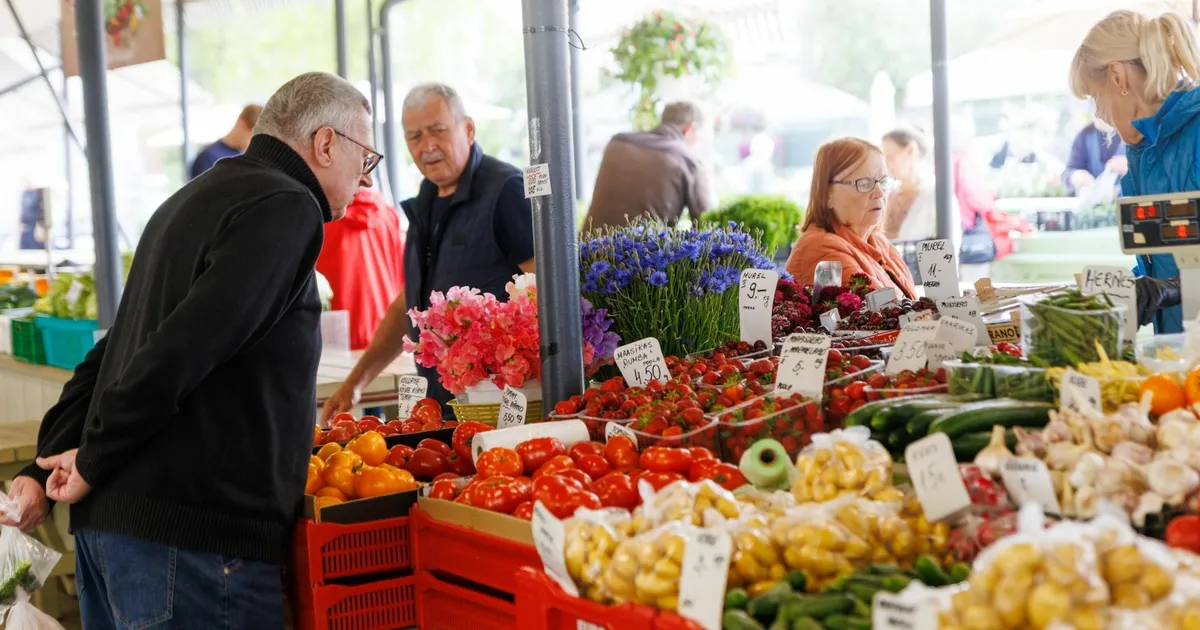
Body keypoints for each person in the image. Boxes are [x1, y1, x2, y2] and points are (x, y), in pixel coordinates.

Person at [1, 71, 377, 628]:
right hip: (192, 546)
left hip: (119, 535)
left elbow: (115, 351)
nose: (365, 181)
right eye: (364, 159)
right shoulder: (287, 205)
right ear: (325, 144)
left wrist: (44, 463)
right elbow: (181, 350)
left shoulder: (186, 201)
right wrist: (93, 455)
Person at [321, 83, 534, 422]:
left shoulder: (506, 190)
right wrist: (356, 383)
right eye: (415, 136)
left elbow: (545, 292)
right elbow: (411, 302)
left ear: (468, 129)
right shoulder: (427, 198)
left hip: (502, 406)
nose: (428, 146)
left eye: (438, 130)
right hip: (444, 406)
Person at [1069, 9, 1200, 332]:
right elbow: (1163, 250)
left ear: (1117, 76)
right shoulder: (1142, 151)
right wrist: (1122, 289)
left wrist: (1172, 287)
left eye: (1094, 96)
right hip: (1181, 351)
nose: (1098, 112)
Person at [785, 137, 917, 297]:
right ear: (827, 194)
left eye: (883, 181)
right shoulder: (821, 249)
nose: (880, 193)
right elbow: (877, 316)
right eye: (864, 183)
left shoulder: (879, 242)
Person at [585, 101, 712, 230]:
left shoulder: (617, 143)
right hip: (640, 248)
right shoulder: (687, 161)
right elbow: (707, 222)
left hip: (584, 247)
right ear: (688, 129)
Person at [315, 186, 405, 350]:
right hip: (385, 333)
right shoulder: (387, 214)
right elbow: (402, 276)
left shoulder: (320, 217)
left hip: (333, 336)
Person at [188, 104, 263, 180]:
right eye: (251, 139)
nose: (252, 146)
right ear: (241, 124)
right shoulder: (208, 158)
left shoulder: (248, 159)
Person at [1062, 114, 1127, 195]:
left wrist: (1131, 166)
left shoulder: (1135, 134)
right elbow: (1067, 173)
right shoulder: (1084, 136)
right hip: (1094, 204)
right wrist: (1075, 176)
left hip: (1128, 202)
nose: (1098, 111)